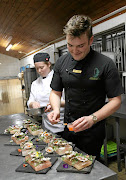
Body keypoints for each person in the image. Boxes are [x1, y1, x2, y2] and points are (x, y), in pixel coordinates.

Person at [47, 15, 124, 160]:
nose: (74, 51)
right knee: (67, 163)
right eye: (70, 45)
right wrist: (56, 109)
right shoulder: (61, 62)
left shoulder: (105, 64)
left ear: (91, 40)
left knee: (89, 167)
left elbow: (116, 101)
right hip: (68, 126)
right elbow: (55, 92)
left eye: (80, 45)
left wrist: (93, 118)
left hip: (93, 130)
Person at [27, 52, 65, 134]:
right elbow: (29, 101)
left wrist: (55, 104)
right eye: (37, 68)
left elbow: (69, 101)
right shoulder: (35, 83)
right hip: (46, 124)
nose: (39, 71)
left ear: (49, 64)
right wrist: (32, 104)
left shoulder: (60, 79)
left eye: (41, 67)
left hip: (61, 122)